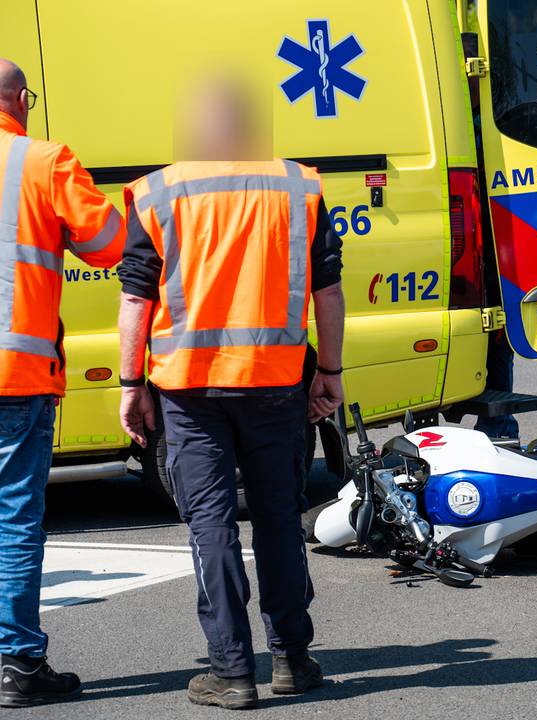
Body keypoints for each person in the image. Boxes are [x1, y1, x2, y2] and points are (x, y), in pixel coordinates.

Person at [116, 80, 345, 710]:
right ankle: (293, 660)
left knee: (210, 524)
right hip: (274, 380)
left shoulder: (159, 191)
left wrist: (131, 384)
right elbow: (327, 290)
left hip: (188, 389)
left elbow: (136, 298)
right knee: (277, 519)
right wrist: (330, 370)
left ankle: (232, 671)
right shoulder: (297, 187)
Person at [0, 58, 126, 708]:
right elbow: (108, 243)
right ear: (20, 99)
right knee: (14, 518)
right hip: (17, 375)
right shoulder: (43, 162)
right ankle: (19, 664)